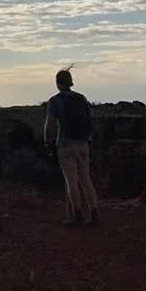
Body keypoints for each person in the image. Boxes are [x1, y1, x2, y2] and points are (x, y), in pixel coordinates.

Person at [44, 67, 99, 228]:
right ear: (70, 82)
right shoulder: (81, 98)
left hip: (65, 145)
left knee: (71, 181)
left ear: (57, 83)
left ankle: (77, 215)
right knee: (86, 179)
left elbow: (50, 125)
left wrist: (48, 143)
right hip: (83, 144)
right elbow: (89, 120)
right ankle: (94, 214)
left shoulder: (55, 101)